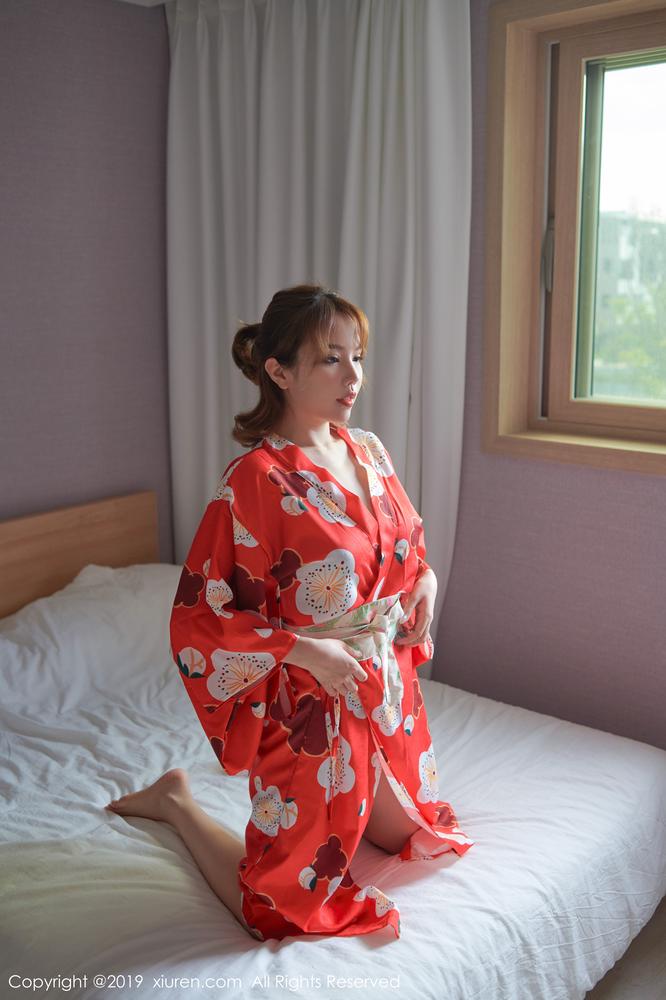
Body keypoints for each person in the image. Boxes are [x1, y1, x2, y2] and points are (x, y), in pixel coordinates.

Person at [105, 283, 474, 941]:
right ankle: (177, 802)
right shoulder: (254, 479)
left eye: (356, 357)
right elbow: (200, 614)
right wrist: (305, 651)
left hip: (385, 689)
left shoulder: (369, 450)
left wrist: (427, 583)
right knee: (280, 912)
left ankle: (360, 785)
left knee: (414, 833)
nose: (353, 376)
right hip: (311, 704)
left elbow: (406, 549)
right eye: (331, 359)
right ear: (278, 371)